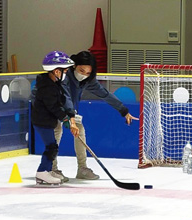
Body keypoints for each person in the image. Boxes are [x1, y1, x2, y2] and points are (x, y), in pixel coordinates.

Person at [52, 51, 138, 181]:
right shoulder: (64, 76)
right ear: (74, 66)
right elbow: (65, 97)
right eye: (81, 70)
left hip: (69, 109)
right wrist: (70, 116)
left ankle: (82, 168)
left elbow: (104, 94)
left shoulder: (88, 80)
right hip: (51, 106)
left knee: (79, 130)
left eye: (87, 73)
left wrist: (123, 110)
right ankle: (51, 168)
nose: (84, 75)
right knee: (56, 130)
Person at [31, 51, 79, 185]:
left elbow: (62, 101)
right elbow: (53, 107)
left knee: (52, 146)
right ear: (57, 72)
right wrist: (65, 120)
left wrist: (69, 118)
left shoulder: (53, 84)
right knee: (51, 147)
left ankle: (46, 171)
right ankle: (42, 172)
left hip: (47, 121)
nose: (66, 74)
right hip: (42, 122)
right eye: (65, 71)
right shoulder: (47, 87)